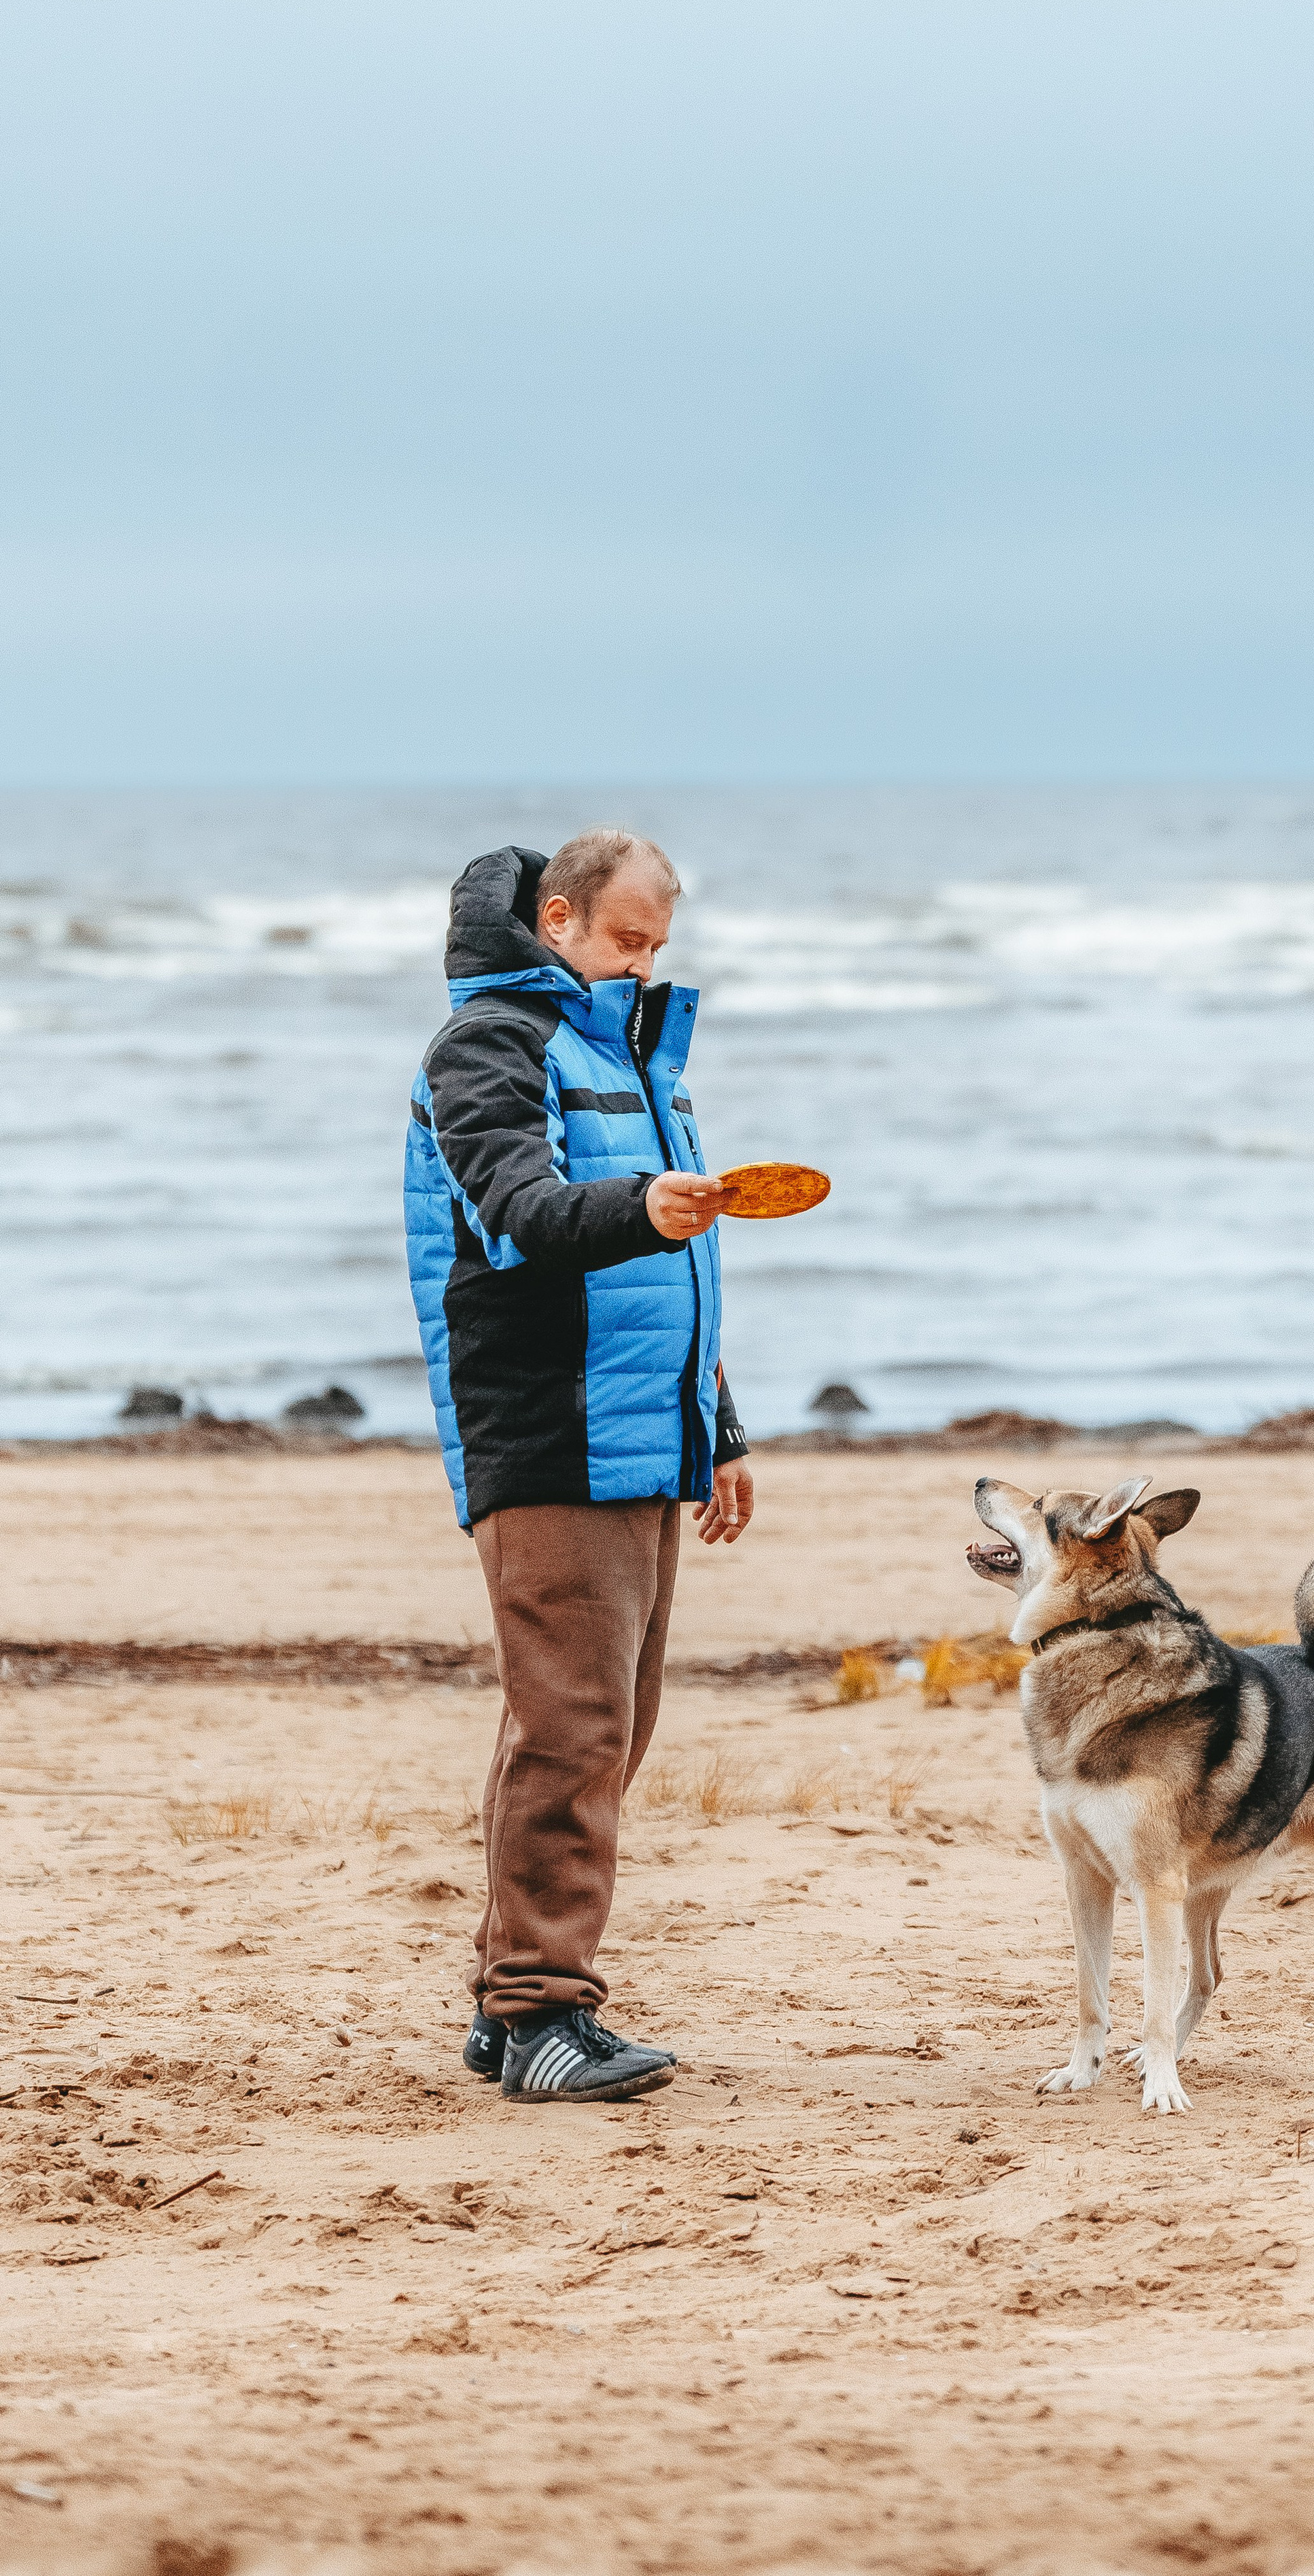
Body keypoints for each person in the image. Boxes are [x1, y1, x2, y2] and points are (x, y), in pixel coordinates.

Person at [403, 831, 753, 2103]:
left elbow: (682, 1277)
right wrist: (641, 1206)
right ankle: (547, 2016)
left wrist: (721, 1430)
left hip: (642, 1440)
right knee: (572, 1730)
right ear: (558, 916)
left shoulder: (628, 1050)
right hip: (547, 1433)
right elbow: (518, 1212)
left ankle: (513, 2006)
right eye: (625, 939)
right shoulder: (491, 1044)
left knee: (606, 1730)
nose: (642, 962)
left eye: (659, 945)